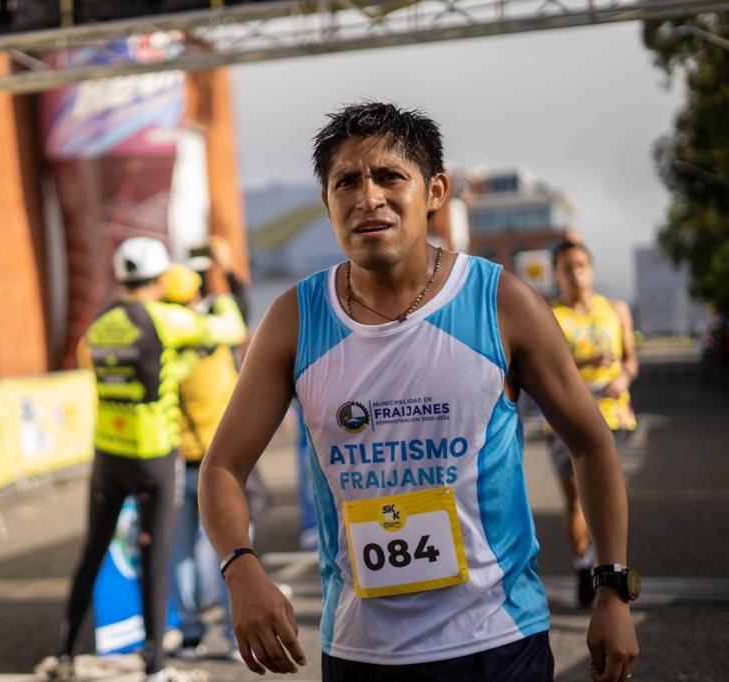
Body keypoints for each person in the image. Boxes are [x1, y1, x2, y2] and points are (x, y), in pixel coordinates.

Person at [199, 102, 639, 682]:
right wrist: (242, 570)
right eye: (346, 182)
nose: (368, 198)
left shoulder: (501, 303)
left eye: (389, 177)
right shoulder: (295, 320)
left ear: (435, 191)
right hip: (362, 652)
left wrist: (611, 589)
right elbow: (222, 467)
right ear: (327, 204)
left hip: (498, 641)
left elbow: (591, 443)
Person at [47, 237, 246, 682]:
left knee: (92, 554)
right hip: (155, 456)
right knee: (154, 559)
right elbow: (231, 330)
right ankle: (155, 665)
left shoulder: (99, 323)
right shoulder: (166, 319)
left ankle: (63, 654)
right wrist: (221, 294)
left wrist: (173, 368)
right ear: (159, 279)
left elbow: (101, 365)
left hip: (107, 455)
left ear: (121, 278)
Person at [160, 260, 245, 660]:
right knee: (234, 550)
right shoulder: (218, 327)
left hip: (180, 460)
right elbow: (234, 319)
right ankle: (233, 637)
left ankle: (191, 635)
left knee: (181, 553)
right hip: (225, 461)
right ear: (195, 294)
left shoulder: (163, 335)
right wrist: (218, 279)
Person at [549, 240, 638, 607]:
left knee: (608, 497)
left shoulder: (616, 310)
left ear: (592, 269)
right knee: (576, 501)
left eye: (582, 265)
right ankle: (582, 563)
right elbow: (550, 373)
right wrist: (585, 370)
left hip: (614, 416)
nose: (576, 273)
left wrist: (624, 378)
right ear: (557, 273)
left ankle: (609, 572)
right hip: (567, 421)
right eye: (567, 267)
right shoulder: (549, 316)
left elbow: (631, 360)